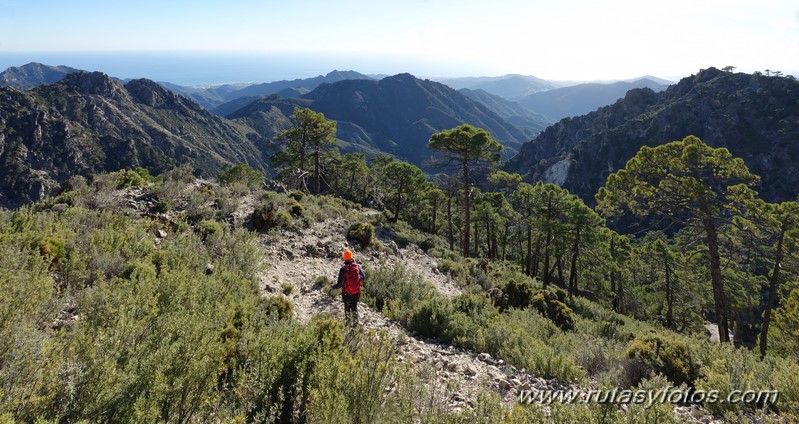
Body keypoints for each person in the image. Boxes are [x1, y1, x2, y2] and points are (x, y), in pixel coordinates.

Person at [331, 249, 366, 325]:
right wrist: (358, 278)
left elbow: (339, 284)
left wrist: (332, 287)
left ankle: (348, 325)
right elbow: (364, 276)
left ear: (344, 258)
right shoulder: (357, 267)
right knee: (354, 308)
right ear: (351, 257)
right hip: (357, 292)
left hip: (347, 293)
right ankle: (355, 325)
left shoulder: (343, 269)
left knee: (347, 309)